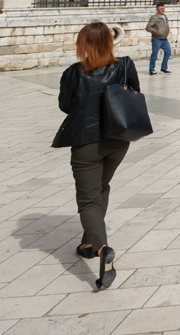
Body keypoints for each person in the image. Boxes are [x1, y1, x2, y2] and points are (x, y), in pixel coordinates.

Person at [52, 22, 139, 290]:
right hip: (118, 139)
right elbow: (134, 93)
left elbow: (65, 106)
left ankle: (102, 249)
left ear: (84, 45)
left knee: (88, 199)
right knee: (101, 187)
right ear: (110, 43)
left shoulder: (73, 73)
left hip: (86, 141)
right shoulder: (125, 65)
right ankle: (88, 242)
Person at [145, 4, 171, 75]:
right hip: (157, 39)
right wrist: (157, 32)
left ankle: (164, 68)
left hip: (165, 39)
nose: (163, 9)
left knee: (168, 52)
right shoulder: (154, 17)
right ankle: (152, 69)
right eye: (161, 8)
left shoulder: (165, 16)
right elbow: (148, 27)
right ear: (157, 9)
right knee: (154, 55)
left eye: (163, 8)